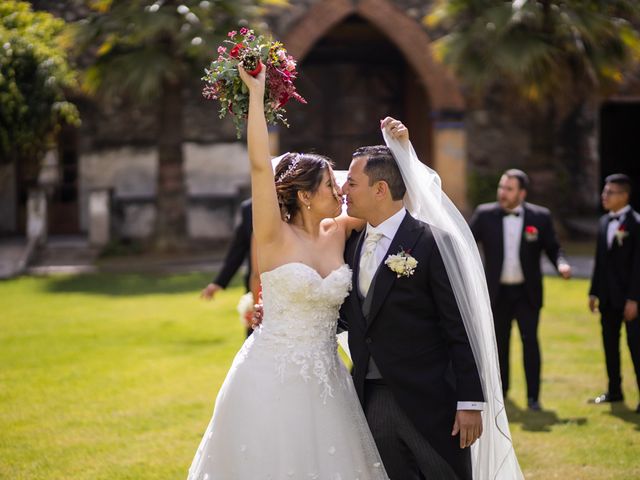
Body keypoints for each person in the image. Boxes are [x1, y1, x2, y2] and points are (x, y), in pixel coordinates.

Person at [187, 65, 391, 479]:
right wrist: (258, 98)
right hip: (270, 371)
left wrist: (399, 152)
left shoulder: (339, 231)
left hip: (328, 379)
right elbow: (261, 168)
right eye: (330, 187)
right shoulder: (271, 236)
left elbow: (392, 207)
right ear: (303, 195)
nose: (339, 190)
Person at [469, 170, 571, 411]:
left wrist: (562, 264)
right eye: (501, 187)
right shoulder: (484, 215)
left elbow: (554, 248)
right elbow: (465, 242)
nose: (502, 193)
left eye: (509, 189)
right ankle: (501, 394)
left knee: (530, 343)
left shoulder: (540, 217)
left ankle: (533, 398)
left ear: (522, 193)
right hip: (497, 293)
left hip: (527, 294)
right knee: (500, 345)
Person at [588, 174, 640, 413]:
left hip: (630, 300)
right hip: (607, 298)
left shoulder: (636, 224)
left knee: (635, 347)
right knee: (610, 346)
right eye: (604, 191)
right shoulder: (603, 222)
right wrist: (594, 292)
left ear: (624, 196)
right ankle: (614, 390)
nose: (604, 196)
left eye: (610, 192)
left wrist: (634, 299)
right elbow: (600, 262)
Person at [200, 198, 255, 336]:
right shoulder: (248, 208)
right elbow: (238, 250)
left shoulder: (295, 202)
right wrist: (219, 282)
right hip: (256, 286)